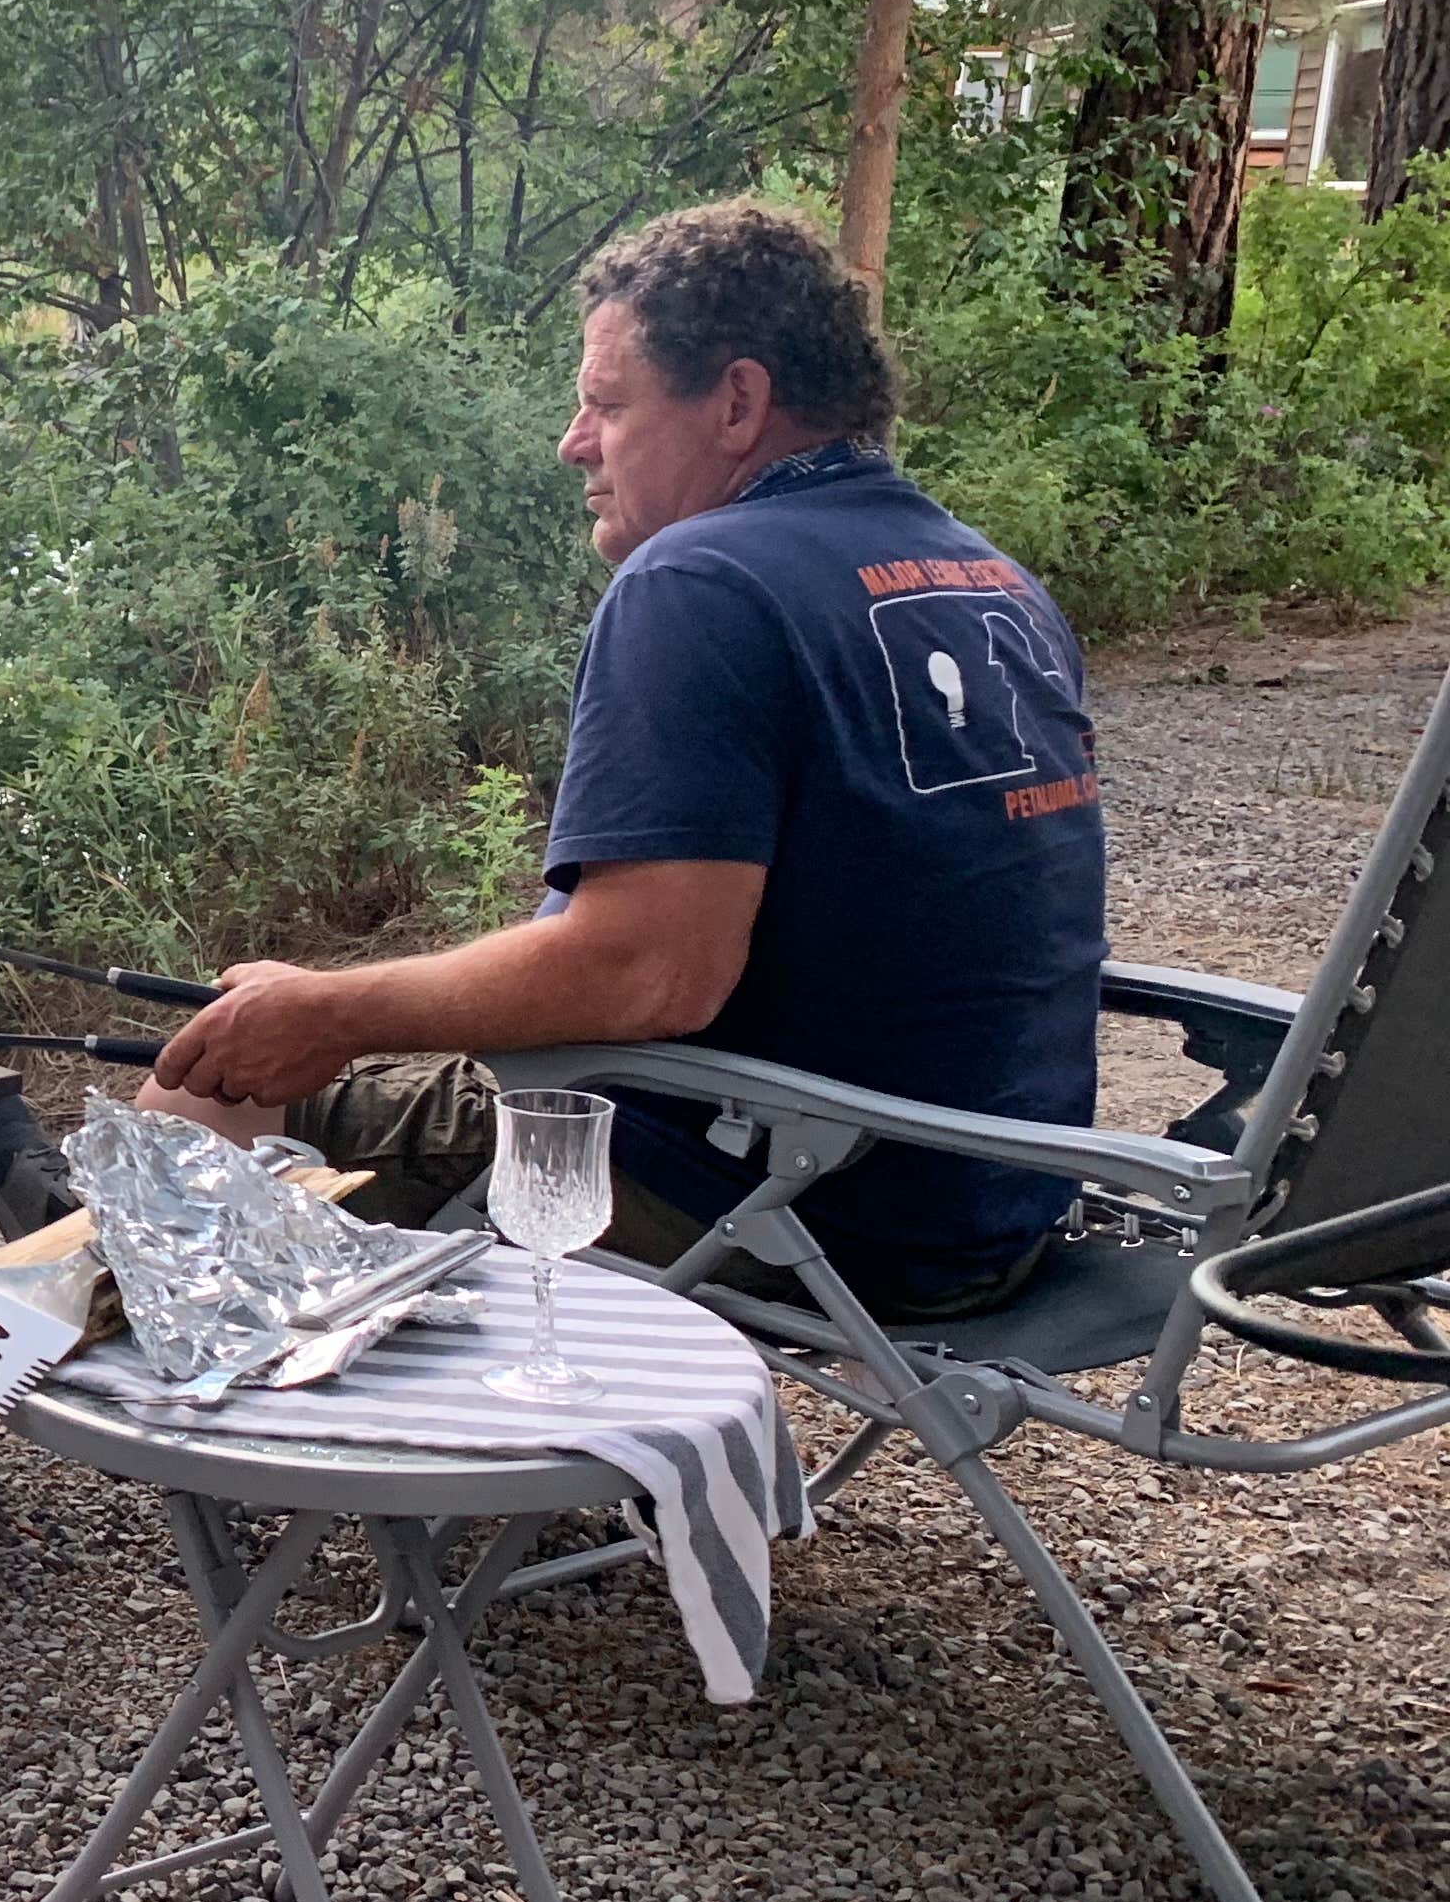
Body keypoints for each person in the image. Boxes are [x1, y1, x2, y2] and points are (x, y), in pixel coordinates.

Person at [98, 199, 1106, 1321]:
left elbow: (650, 973)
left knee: (209, 1101)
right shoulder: (983, 577)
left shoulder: (701, 582)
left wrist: (327, 1015)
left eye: (606, 405)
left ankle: (225, 1471)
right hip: (988, 1199)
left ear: (737, 401)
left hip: (795, 1206)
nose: (574, 442)